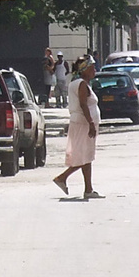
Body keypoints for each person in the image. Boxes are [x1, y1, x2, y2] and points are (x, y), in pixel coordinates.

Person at [53, 55, 102, 199]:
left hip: (81, 123)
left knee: (86, 155)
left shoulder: (78, 83)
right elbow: (83, 104)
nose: (94, 70)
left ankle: (88, 189)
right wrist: (91, 123)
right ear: (84, 70)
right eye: (92, 68)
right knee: (82, 156)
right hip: (83, 124)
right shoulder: (81, 84)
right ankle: (62, 178)